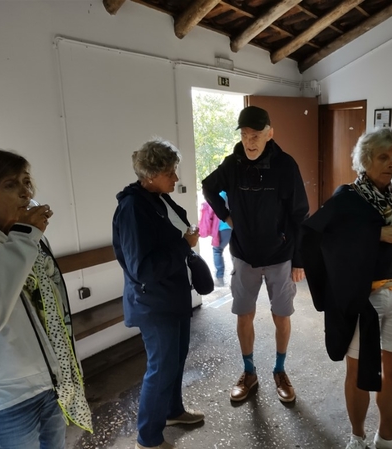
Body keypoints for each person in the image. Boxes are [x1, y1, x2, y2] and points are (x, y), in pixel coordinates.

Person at [300, 128, 392, 449]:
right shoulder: (346, 198)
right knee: (358, 370)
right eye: (383, 157)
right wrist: (373, 236)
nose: (391, 164)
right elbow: (318, 239)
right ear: (365, 160)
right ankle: (357, 436)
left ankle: (387, 435)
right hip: (362, 298)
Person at [0, 149, 92, 449]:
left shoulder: (29, 238)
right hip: (5, 400)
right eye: (10, 184)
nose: (25, 192)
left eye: (26, 182)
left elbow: (49, 311)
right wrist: (24, 237)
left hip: (50, 384)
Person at [202, 106, 309, 403]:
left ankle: (279, 370)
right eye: (246, 135)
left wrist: (300, 260)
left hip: (280, 254)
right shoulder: (233, 164)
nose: (250, 141)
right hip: (244, 255)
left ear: (269, 134)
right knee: (244, 313)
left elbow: (300, 214)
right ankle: (249, 372)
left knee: (281, 315)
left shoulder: (285, 165)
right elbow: (209, 186)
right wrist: (226, 217)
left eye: (256, 135)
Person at [112, 139, 204, 449]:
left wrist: (186, 238)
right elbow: (142, 268)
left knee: (175, 360)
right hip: (154, 302)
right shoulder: (132, 208)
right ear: (151, 174)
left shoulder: (157, 199)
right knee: (160, 367)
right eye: (171, 172)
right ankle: (147, 439)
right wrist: (184, 246)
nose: (176, 178)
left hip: (173, 295)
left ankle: (173, 411)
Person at [199, 191, 232, 287]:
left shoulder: (219, 194)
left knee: (217, 250)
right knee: (235, 250)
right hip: (234, 226)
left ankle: (220, 277)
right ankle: (237, 277)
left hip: (223, 227)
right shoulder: (233, 191)